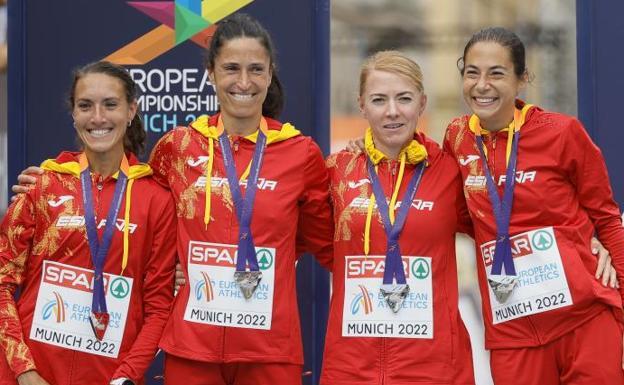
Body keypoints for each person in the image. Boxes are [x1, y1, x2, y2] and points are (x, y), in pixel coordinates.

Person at [10, 13, 332, 385]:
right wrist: (51, 181)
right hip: (191, 348)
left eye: (256, 69)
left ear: (271, 73)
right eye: (231, 68)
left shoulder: (301, 153)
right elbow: (137, 200)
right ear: (210, 73)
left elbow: (318, 236)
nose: (244, 82)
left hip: (270, 349)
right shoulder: (178, 148)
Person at [443, 27, 624, 384]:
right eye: (472, 73)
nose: (482, 85)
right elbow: (456, 211)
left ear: (522, 79)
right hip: (513, 330)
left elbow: (607, 218)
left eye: (496, 73)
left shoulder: (561, 132)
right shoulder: (457, 138)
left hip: (583, 319)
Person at [0, 61, 176, 385]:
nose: (98, 118)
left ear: (131, 110)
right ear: (73, 114)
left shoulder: (156, 199)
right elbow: (2, 283)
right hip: (26, 377)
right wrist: (23, 370)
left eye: (110, 104)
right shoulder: (42, 185)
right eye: (85, 106)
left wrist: (126, 378)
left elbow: (159, 308)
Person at [321, 51, 475, 385]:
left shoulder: (450, 171)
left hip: (434, 367)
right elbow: (292, 234)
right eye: (379, 99)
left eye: (404, 98)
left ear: (422, 103)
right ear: (362, 105)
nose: (392, 111)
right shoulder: (335, 171)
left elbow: (502, 224)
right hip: (352, 367)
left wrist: (587, 238)